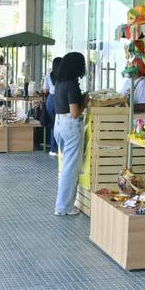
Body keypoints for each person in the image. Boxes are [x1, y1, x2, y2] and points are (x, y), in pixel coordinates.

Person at [53, 51, 88, 217]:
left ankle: (63, 204)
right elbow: (75, 113)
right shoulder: (72, 84)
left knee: (67, 166)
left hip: (59, 124)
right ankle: (63, 207)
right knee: (70, 169)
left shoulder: (59, 82)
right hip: (70, 126)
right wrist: (85, 102)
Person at [43, 57, 62, 156]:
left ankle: (53, 149)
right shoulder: (63, 76)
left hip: (50, 100)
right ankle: (58, 148)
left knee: (53, 124)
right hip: (60, 99)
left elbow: (45, 90)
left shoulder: (48, 76)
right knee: (60, 124)